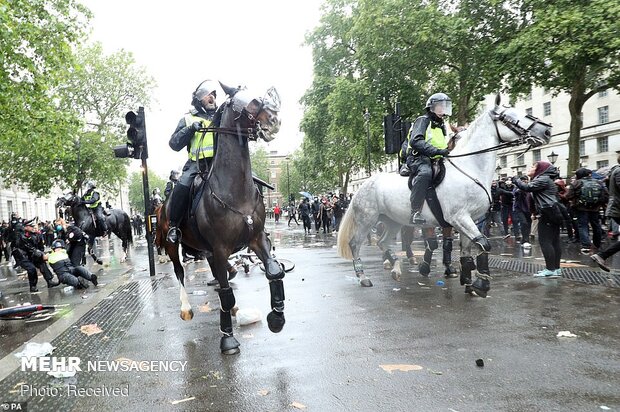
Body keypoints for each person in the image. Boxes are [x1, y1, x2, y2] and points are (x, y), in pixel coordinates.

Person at [166, 80, 219, 243]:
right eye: (208, 95)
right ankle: (174, 226)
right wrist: (190, 129)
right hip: (198, 164)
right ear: (199, 99)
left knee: (250, 177)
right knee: (182, 186)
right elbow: (174, 143)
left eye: (214, 95)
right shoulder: (188, 119)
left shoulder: (222, 116)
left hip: (220, 162)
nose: (213, 98)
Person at [405, 93, 452, 224]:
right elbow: (416, 141)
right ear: (431, 108)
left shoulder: (441, 125)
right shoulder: (423, 120)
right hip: (419, 158)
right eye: (440, 107)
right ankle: (415, 212)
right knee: (425, 173)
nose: (443, 110)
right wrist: (437, 151)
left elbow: (443, 143)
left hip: (437, 158)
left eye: (445, 107)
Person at [512, 161, 563, 278]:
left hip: (548, 212)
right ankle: (556, 269)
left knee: (545, 241)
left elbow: (527, 187)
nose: (530, 168)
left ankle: (550, 269)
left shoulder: (543, 178)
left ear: (540, 169)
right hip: (552, 212)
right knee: (554, 241)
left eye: (532, 166)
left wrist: (516, 179)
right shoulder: (546, 179)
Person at [566, 167, 608, 254]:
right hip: (595, 208)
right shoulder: (598, 182)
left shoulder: (576, 183)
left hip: (581, 208)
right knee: (596, 225)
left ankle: (586, 245)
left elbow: (569, 196)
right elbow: (605, 195)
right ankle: (597, 243)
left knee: (583, 226)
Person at [591, 154, 620, 271]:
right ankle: (602, 255)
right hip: (618, 208)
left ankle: (602, 255)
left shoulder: (615, 171)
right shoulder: (619, 171)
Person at [12, 220, 59, 292]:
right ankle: (33, 286)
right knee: (31, 269)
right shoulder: (21, 236)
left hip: (33, 255)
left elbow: (40, 246)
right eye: (31, 226)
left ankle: (49, 281)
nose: (33, 228)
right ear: (26, 227)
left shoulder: (37, 235)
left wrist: (42, 254)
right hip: (23, 256)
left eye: (33, 226)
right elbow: (27, 247)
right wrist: (39, 253)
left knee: (42, 264)